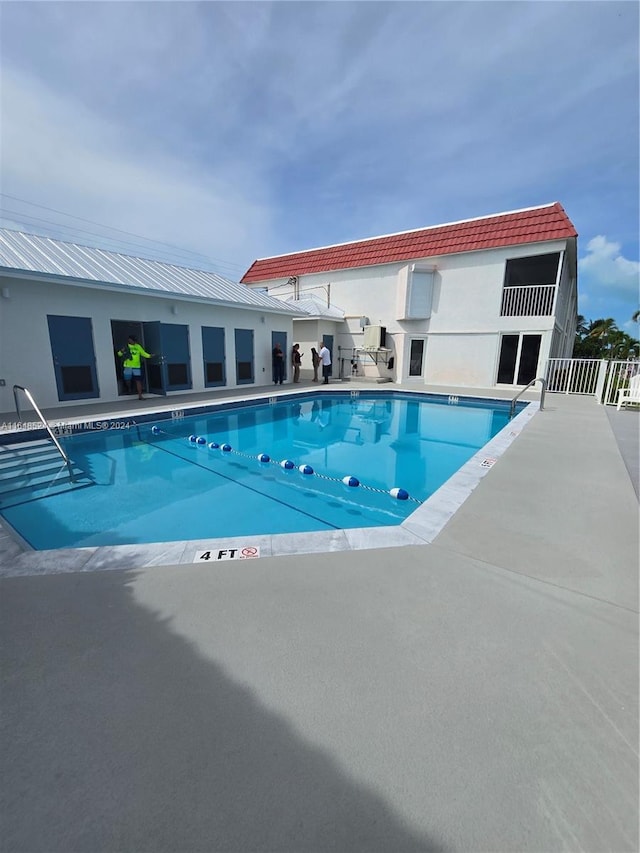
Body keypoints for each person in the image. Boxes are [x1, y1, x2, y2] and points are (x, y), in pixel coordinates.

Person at [118, 335, 153, 400]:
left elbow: (143, 353)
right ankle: (129, 388)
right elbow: (119, 354)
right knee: (127, 380)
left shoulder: (138, 346)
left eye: (134, 340)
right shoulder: (126, 347)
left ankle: (140, 395)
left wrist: (150, 356)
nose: (133, 342)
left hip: (137, 366)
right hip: (127, 366)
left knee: (138, 380)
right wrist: (121, 351)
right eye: (131, 340)